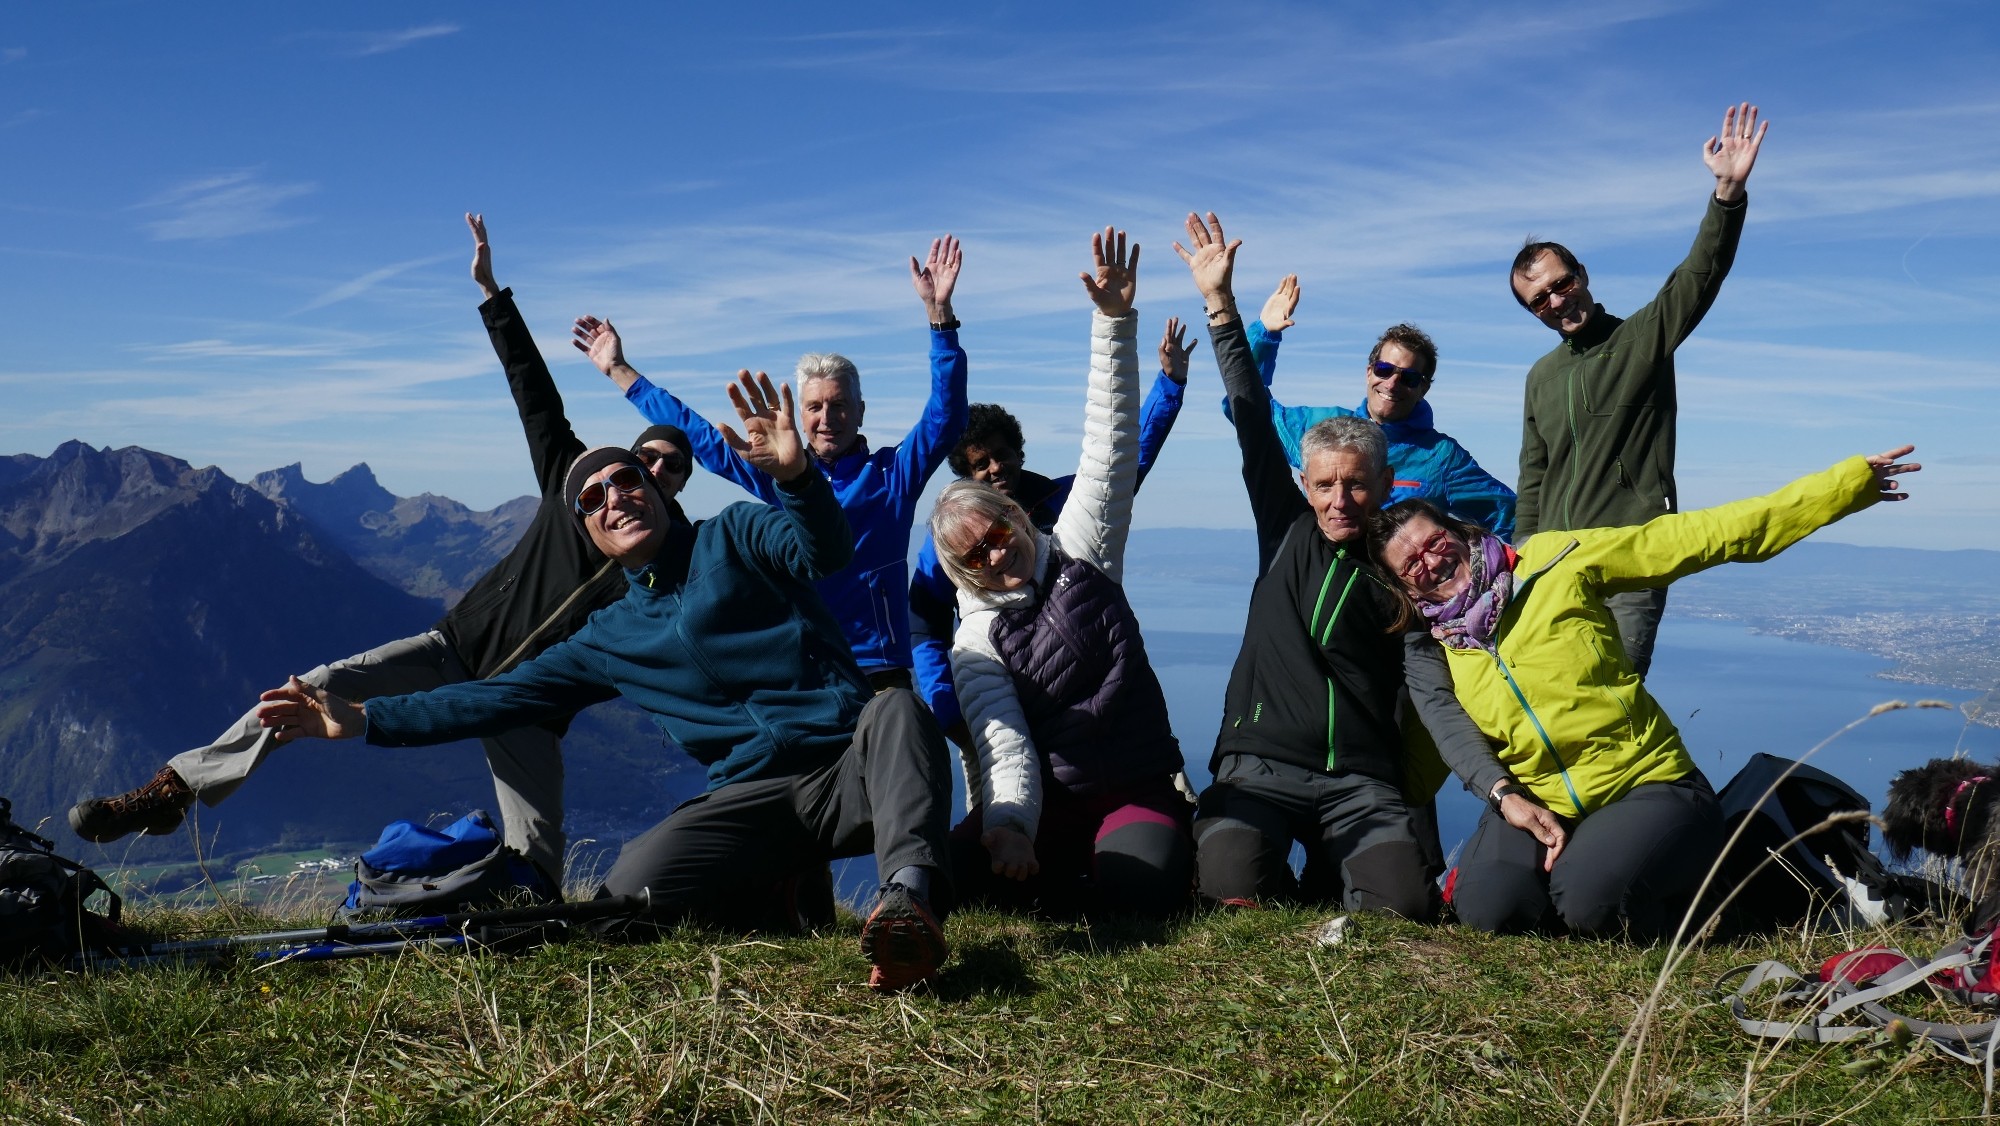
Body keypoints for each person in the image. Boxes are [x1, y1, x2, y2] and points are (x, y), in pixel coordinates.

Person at [256, 372, 957, 991]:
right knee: (624, 897)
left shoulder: (739, 533)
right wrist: (362, 719)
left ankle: (906, 905)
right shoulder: (609, 636)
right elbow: (491, 696)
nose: (617, 497)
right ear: (589, 530)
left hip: (846, 769)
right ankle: (760, 898)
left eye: (629, 480)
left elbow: (824, 551)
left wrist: (798, 481)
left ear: (658, 490)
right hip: (748, 800)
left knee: (894, 708)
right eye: (595, 497)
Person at [66, 215, 693, 887]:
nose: (653, 472)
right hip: (450, 649)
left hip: (524, 706)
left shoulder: (677, 565)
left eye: (671, 468)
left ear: (680, 487)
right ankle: (174, 789)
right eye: (644, 458)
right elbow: (534, 397)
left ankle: (521, 925)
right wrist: (491, 295)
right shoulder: (573, 483)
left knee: (536, 858)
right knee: (311, 688)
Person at [1371, 444, 1920, 940]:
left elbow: (1695, 538)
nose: (1432, 561)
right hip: (1538, 799)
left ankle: (1715, 891)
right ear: (1402, 586)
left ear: (1459, 529)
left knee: (1592, 905)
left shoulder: (1555, 562)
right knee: (1491, 912)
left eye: (1435, 541)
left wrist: (1845, 487)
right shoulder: (1431, 644)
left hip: (1647, 782)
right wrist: (1503, 796)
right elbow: (1446, 729)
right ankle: (1598, 869)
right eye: (1411, 564)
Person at [1174, 212, 1492, 919]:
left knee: (1402, 908)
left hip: (1360, 778)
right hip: (1259, 765)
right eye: (1324, 485)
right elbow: (1252, 414)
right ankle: (1299, 875)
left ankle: (1333, 870)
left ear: (1385, 488)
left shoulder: (1405, 572)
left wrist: (1496, 789)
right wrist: (1224, 310)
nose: (1340, 500)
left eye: (1356, 485)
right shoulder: (1285, 529)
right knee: (1231, 889)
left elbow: (1434, 696)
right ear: (1306, 486)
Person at [927, 228, 1192, 918]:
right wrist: (1008, 826)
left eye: (996, 534)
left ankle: (1111, 867)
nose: (993, 554)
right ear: (957, 569)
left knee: (1138, 890)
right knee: (948, 876)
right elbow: (1004, 741)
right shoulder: (975, 639)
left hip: (1136, 786)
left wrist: (1113, 322)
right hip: (1053, 803)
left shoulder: (1081, 546)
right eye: (972, 554)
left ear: (1015, 520)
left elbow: (1110, 443)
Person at [573, 237, 969, 694]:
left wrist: (940, 319)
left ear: (861, 411)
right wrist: (621, 372)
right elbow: (701, 437)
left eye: (840, 405)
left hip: (880, 673)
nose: (827, 419)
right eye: (815, 407)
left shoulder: (892, 475)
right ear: (800, 416)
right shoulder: (781, 474)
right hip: (808, 673)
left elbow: (947, 415)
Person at [1512, 102, 1769, 677]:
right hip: (1554, 566)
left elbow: (1700, 274)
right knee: (1558, 696)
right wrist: (1523, 555)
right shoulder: (1541, 377)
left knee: (1619, 694)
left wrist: (1727, 194)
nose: (1556, 302)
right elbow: (1533, 475)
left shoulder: (1641, 338)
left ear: (1582, 275)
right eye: (1540, 300)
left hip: (1632, 558)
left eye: (1562, 284)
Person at [909, 317, 1193, 751]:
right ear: (965, 474)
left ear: (1019, 452)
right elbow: (924, 628)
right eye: (979, 464)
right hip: (1002, 711)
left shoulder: (1062, 500)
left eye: (1002, 455)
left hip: (1098, 702)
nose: (994, 468)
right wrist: (951, 713)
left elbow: (1123, 459)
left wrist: (1169, 385)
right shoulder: (949, 544)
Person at [1227, 275, 1516, 539]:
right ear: (1369, 372)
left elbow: (1509, 517)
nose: (1392, 384)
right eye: (1384, 369)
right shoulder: (1324, 429)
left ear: (1423, 389)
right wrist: (1264, 336)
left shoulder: (1441, 458)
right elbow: (1244, 410)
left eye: (1409, 378)